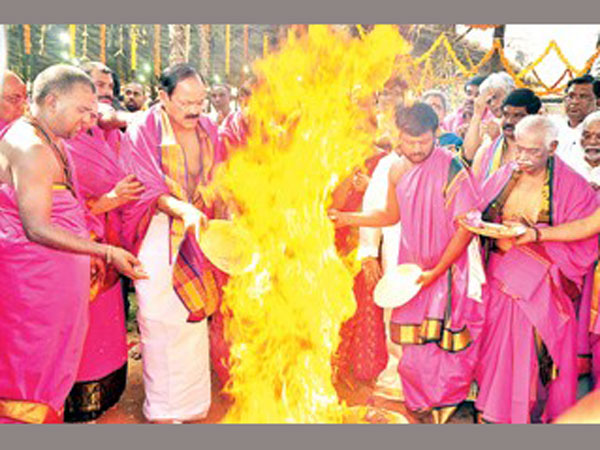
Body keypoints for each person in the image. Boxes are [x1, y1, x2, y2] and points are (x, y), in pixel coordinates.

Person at [0, 64, 143, 424]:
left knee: (47, 382)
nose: (90, 121)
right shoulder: (32, 147)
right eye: (83, 110)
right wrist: (105, 251)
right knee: (25, 388)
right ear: (51, 101)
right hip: (30, 293)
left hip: (52, 293)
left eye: (93, 113)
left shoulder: (54, 140)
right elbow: (37, 228)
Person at [329, 103, 484, 424]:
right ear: (398, 137)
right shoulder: (396, 169)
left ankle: (444, 408)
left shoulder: (453, 168)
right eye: (409, 142)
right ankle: (421, 406)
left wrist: (437, 271)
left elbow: (466, 227)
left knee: (444, 348)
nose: (416, 149)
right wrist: (347, 218)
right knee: (412, 348)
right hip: (411, 272)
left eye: (423, 142)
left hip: (446, 270)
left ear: (436, 134)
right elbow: (390, 215)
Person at [121, 63, 228, 424]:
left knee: (192, 318)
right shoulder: (143, 129)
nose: (195, 110)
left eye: (200, 101)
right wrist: (183, 209)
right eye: (186, 103)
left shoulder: (208, 128)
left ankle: (193, 406)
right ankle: (164, 411)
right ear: (163, 97)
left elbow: (219, 178)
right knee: (160, 317)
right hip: (157, 230)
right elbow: (146, 187)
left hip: (197, 231)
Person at [474, 115, 598, 423]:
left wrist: (537, 236)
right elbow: (478, 210)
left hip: (538, 283)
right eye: (519, 148)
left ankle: (523, 415)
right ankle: (491, 410)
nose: (523, 157)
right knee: (494, 350)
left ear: (552, 148)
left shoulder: (572, 185)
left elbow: (587, 231)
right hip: (497, 275)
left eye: (533, 151)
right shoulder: (504, 174)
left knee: (527, 356)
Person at [63, 65, 145, 422]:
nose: (106, 92)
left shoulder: (107, 134)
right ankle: (72, 400)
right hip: (75, 253)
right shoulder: (58, 140)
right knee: (78, 329)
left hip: (110, 247)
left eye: (109, 86)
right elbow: (52, 209)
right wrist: (109, 200)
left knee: (108, 325)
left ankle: (107, 393)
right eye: (97, 86)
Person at [471, 88, 542, 182]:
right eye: (506, 114)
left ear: (534, 119)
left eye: (517, 116)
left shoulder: (542, 155)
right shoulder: (485, 153)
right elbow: (474, 188)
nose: (509, 121)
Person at [462, 72, 516, 164]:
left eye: (496, 97)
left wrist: (499, 138)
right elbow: (469, 155)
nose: (493, 104)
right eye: (489, 101)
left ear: (511, 92)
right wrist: (477, 114)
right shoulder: (488, 125)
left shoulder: (526, 119)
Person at [554, 75, 598, 177]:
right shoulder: (554, 128)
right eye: (570, 96)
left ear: (597, 101)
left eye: (583, 97)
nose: (574, 102)